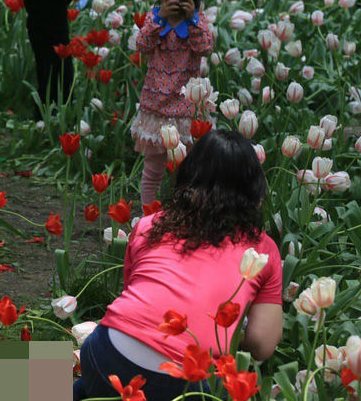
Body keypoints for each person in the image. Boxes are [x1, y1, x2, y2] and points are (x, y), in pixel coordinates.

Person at [74, 130, 284, 401]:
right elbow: (262, 344)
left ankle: (16, 382)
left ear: (188, 173)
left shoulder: (151, 224)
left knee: (93, 387)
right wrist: (226, 329)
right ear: (254, 188)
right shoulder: (261, 249)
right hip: (178, 383)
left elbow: (139, 301)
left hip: (106, 349)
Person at [131, 0, 213, 206]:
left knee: (188, 169)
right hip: (157, 106)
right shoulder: (153, 18)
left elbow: (206, 48)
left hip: (187, 108)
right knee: (153, 168)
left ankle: (183, 215)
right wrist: (159, 20)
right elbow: (142, 45)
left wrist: (194, 21)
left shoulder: (198, 20)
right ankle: (149, 215)